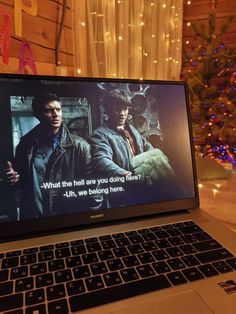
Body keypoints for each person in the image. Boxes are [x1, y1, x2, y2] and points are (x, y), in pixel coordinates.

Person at [5, 92, 96, 219]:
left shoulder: (80, 146)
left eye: (58, 109)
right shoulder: (25, 145)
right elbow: (21, 182)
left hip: (67, 219)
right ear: (37, 114)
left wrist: (88, 220)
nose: (55, 114)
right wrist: (13, 179)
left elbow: (93, 188)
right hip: (34, 218)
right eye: (49, 110)